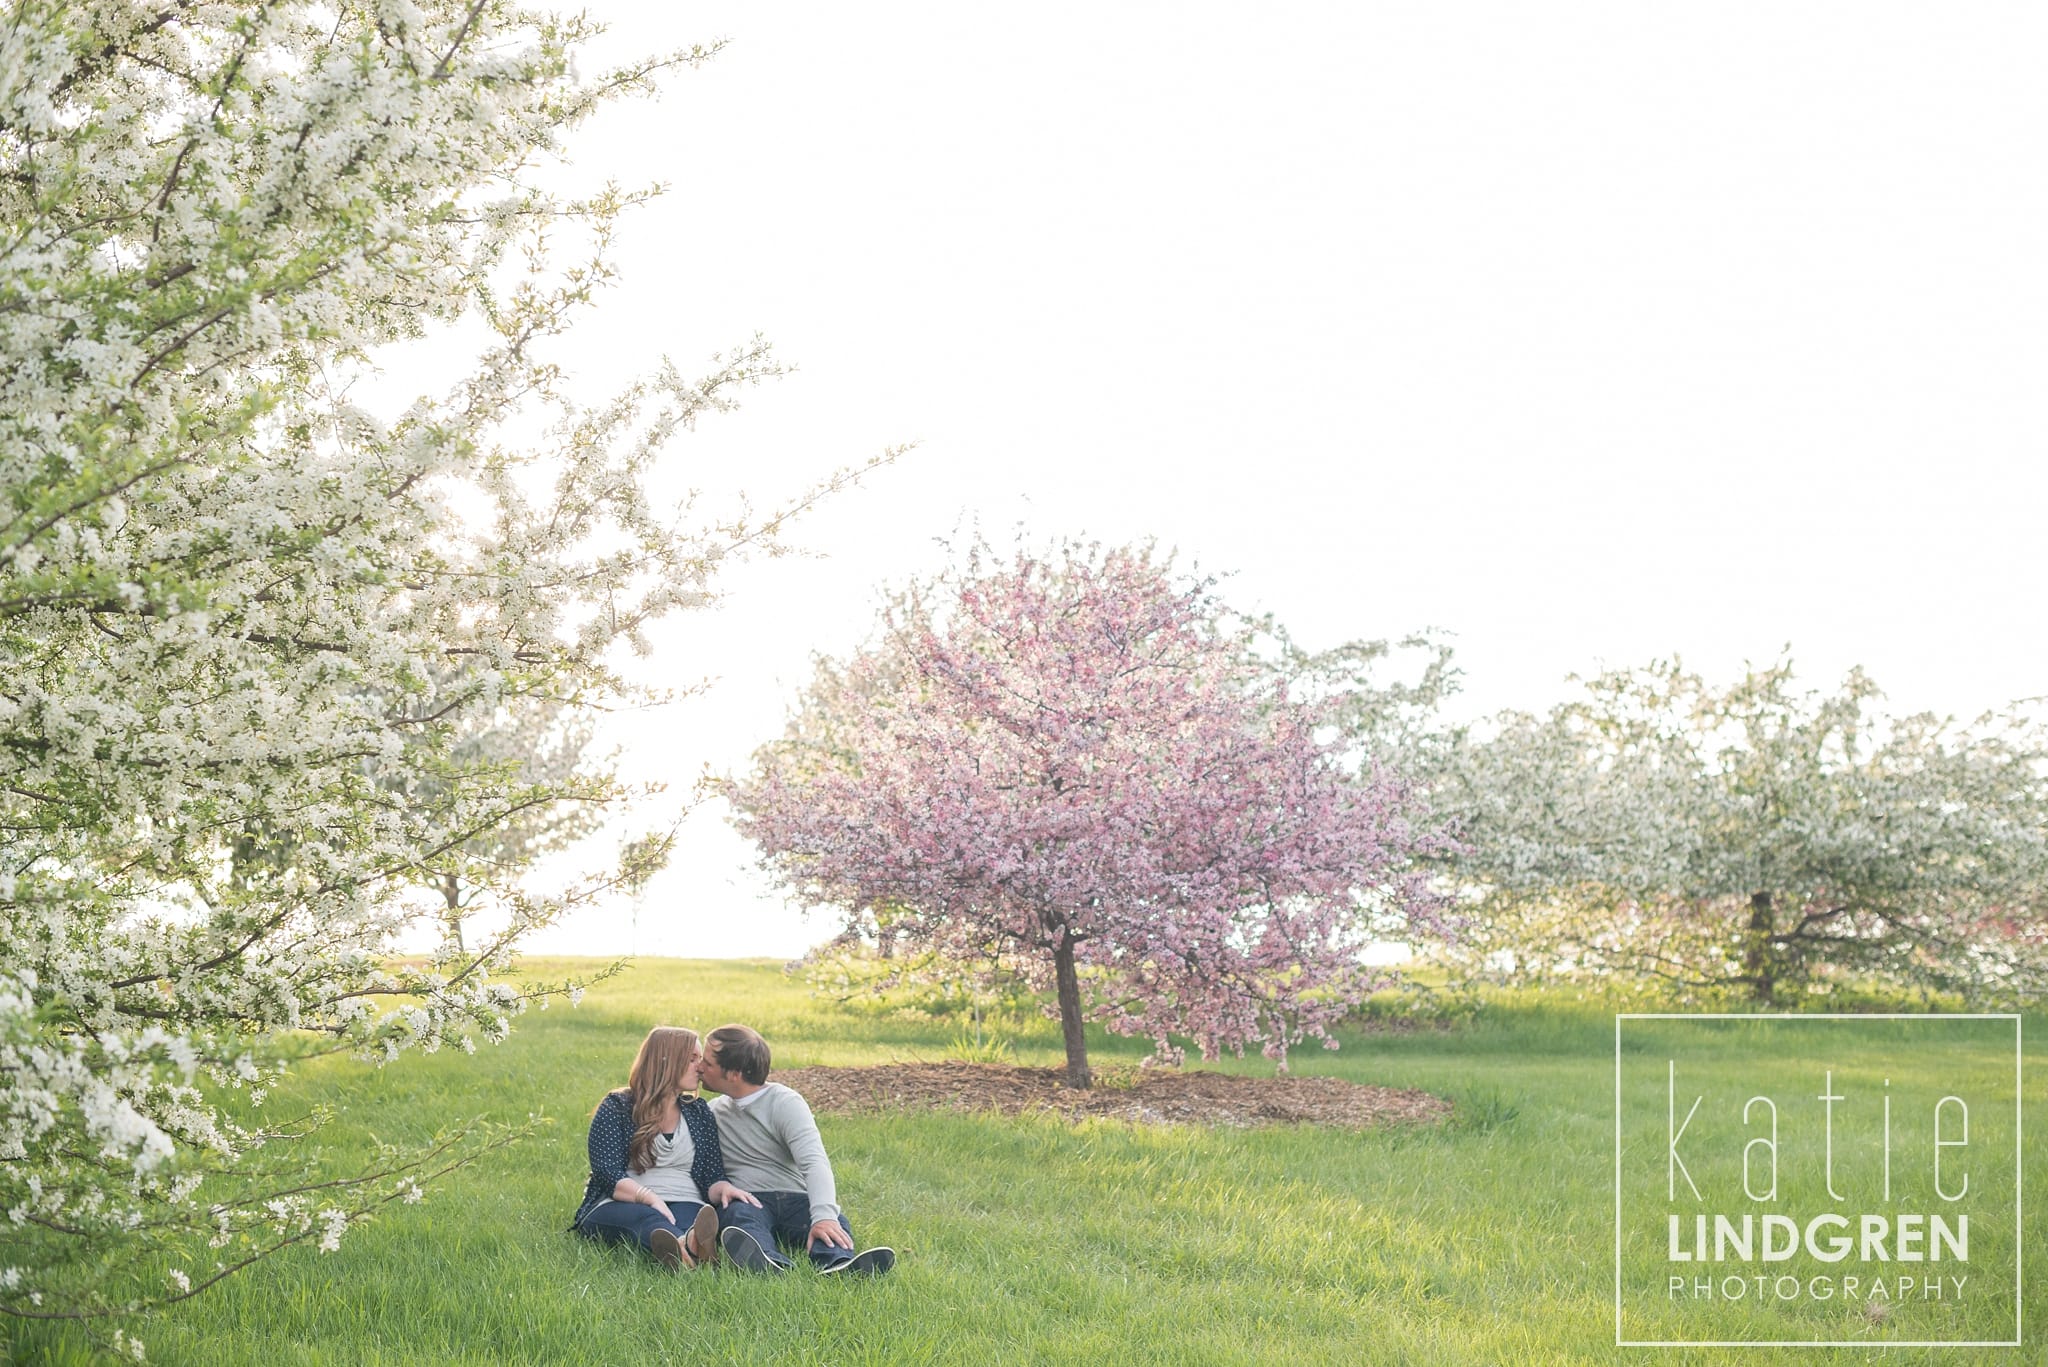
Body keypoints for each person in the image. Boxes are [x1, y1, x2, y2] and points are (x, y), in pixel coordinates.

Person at [697, 1024, 896, 1276]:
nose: (700, 1067)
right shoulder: (713, 1111)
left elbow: (814, 1162)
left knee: (833, 1222)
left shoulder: (785, 1102)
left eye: (708, 1063)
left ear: (734, 1074)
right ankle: (766, 1262)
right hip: (750, 1199)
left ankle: (839, 1263)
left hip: (795, 1197)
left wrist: (824, 1216)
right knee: (739, 1217)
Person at [569, 1025, 761, 1269]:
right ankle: (692, 1250)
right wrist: (649, 1198)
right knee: (651, 1219)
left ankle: (686, 1248)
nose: (700, 1066)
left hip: (686, 1200)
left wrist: (724, 1188)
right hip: (622, 1202)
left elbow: (711, 1174)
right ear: (666, 1060)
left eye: (700, 1059)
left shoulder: (699, 1111)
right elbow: (607, 1172)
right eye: (692, 1059)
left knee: (691, 1221)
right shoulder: (618, 1106)